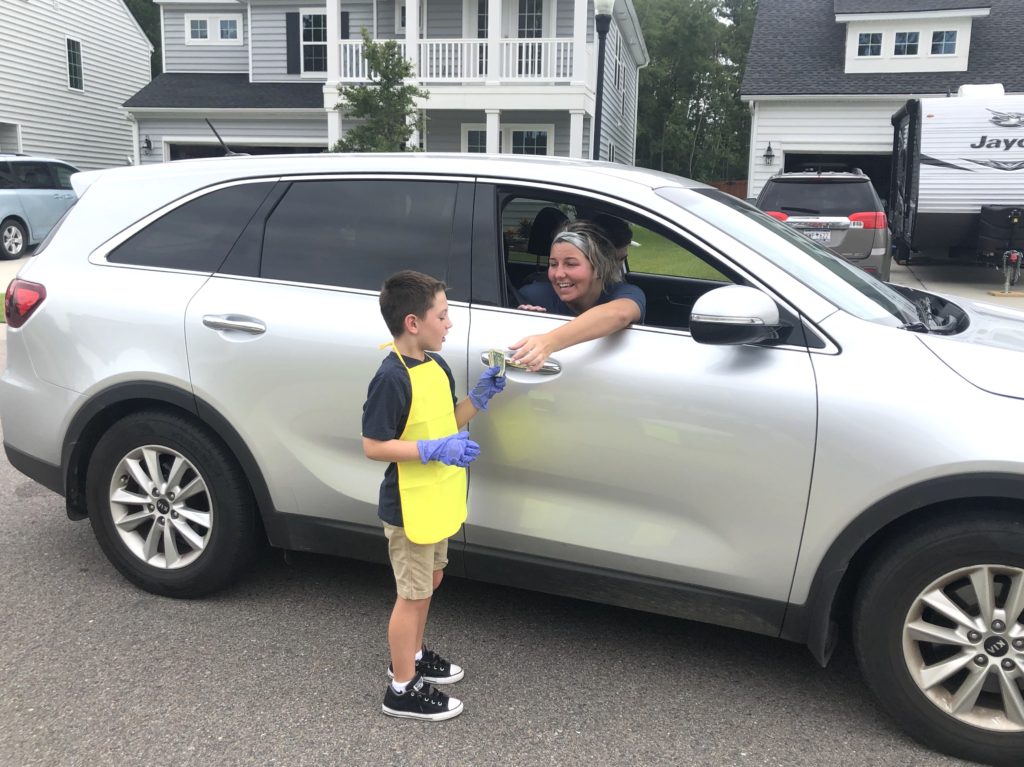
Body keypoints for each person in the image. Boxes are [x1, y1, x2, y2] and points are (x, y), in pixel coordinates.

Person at [362, 270, 506, 721]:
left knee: (432, 580)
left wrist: (478, 398)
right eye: (441, 316)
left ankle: (413, 655)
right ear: (412, 322)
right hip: (408, 507)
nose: (449, 324)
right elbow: (374, 445)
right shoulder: (391, 377)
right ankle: (401, 688)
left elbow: (447, 420)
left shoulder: (436, 365)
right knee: (412, 594)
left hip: (437, 498)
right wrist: (431, 450)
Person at [510, 220, 646, 371]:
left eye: (571, 264)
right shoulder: (533, 295)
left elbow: (619, 314)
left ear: (599, 268)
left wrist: (548, 341)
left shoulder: (626, 293)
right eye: (553, 264)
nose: (558, 274)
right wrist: (524, 319)